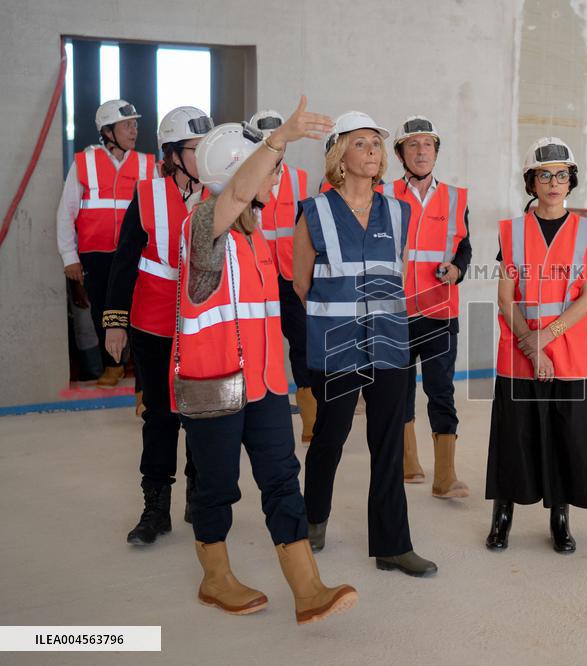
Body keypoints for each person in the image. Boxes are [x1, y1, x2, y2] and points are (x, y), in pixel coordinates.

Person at [173, 99, 357, 624]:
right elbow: (233, 193)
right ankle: (215, 578)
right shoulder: (204, 227)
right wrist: (279, 139)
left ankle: (307, 588)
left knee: (281, 477)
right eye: (270, 172)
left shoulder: (254, 239)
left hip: (264, 384)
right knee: (217, 485)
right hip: (214, 387)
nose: (277, 181)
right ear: (240, 170)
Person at [293, 111, 437, 577]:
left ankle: (392, 545)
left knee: (388, 443)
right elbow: (300, 284)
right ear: (339, 155)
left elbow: (396, 272)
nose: (374, 151)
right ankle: (314, 518)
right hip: (337, 346)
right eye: (362, 143)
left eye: (377, 144)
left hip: (391, 343)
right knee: (329, 438)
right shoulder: (313, 211)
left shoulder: (399, 211)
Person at [485, 137, 587, 554]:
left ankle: (560, 518)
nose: (553, 182)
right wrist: (532, 347)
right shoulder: (511, 232)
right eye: (544, 175)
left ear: (571, 181)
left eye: (561, 175)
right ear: (531, 181)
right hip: (519, 351)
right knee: (516, 435)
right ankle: (503, 516)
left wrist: (545, 338)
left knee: (567, 435)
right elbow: (504, 296)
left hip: (571, 353)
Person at [103, 106, 213, 545]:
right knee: (161, 416)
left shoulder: (220, 195)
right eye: (195, 148)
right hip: (153, 324)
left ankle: (199, 495)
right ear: (172, 153)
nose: (204, 155)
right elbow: (124, 261)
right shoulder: (146, 194)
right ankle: (156, 507)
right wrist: (116, 322)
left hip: (206, 326)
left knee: (203, 414)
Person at [383, 116, 472, 498]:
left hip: (440, 309)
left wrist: (459, 268)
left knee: (441, 390)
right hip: (396, 311)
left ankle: (445, 476)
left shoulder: (455, 197)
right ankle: (408, 462)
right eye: (413, 145)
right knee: (400, 391)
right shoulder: (383, 194)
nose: (422, 152)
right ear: (401, 153)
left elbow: (465, 246)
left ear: (436, 151)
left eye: (428, 145)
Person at [57, 99, 156, 387]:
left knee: (139, 309)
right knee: (102, 310)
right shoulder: (84, 163)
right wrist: (69, 257)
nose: (134, 130)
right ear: (108, 131)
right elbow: (66, 211)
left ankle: (139, 368)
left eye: (135, 124)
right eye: (127, 125)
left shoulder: (146, 163)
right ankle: (113, 366)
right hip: (95, 253)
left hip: (135, 254)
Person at [249, 109, 316, 443]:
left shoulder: (301, 179)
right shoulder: (243, 178)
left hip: (291, 279)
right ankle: (263, 414)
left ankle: (310, 419)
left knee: (303, 344)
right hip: (256, 281)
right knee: (262, 348)